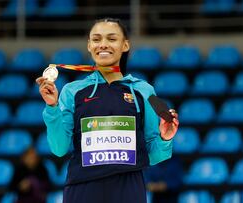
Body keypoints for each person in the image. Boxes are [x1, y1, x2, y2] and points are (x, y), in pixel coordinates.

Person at [36, 18, 179, 203]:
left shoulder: (144, 91)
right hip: (82, 188)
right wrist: (52, 107)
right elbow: (59, 148)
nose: (103, 44)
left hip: (129, 188)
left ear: (125, 44)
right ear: (89, 45)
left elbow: (153, 155)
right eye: (96, 39)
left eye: (111, 39)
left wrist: (165, 139)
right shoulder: (72, 91)